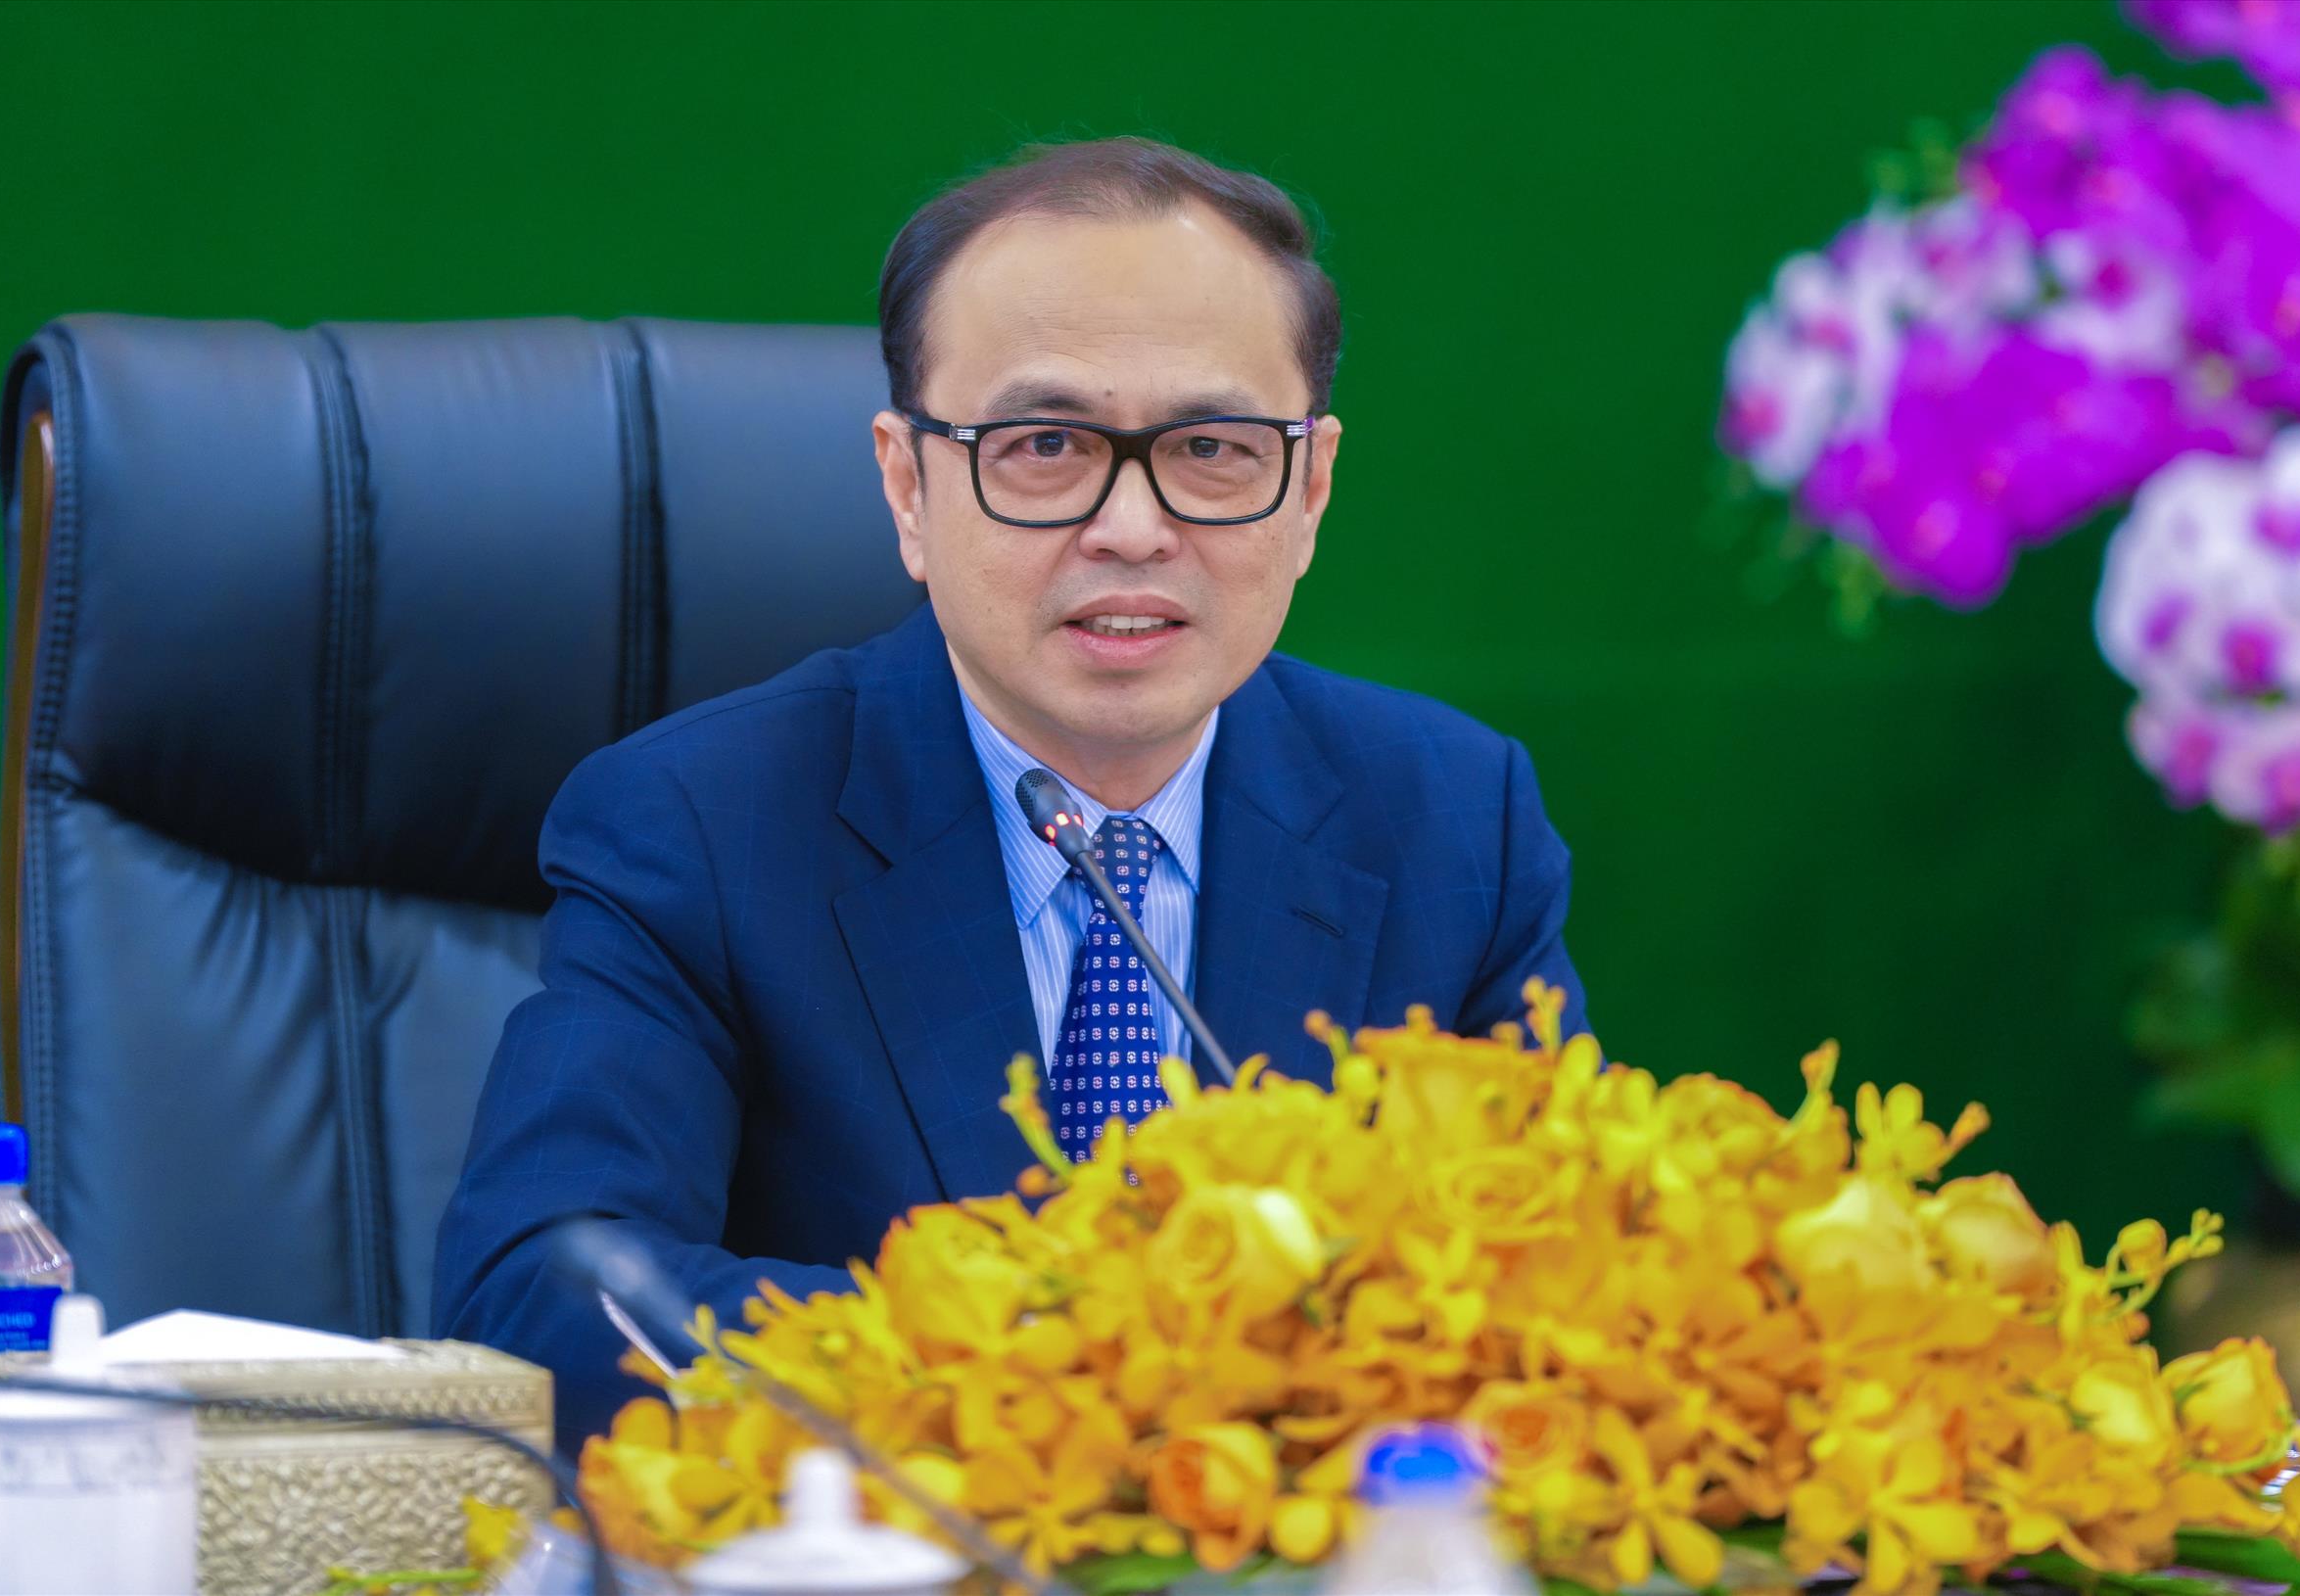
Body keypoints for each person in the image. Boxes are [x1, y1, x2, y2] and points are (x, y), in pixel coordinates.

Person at [432, 137, 1586, 1453]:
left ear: (1310, 489)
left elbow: (1566, 1285)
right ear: (908, 486)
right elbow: (542, 1295)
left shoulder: (1449, 817)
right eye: (1045, 445)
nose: (1133, 528)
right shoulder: (697, 824)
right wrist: (1057, 1357)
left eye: (1212, 448)